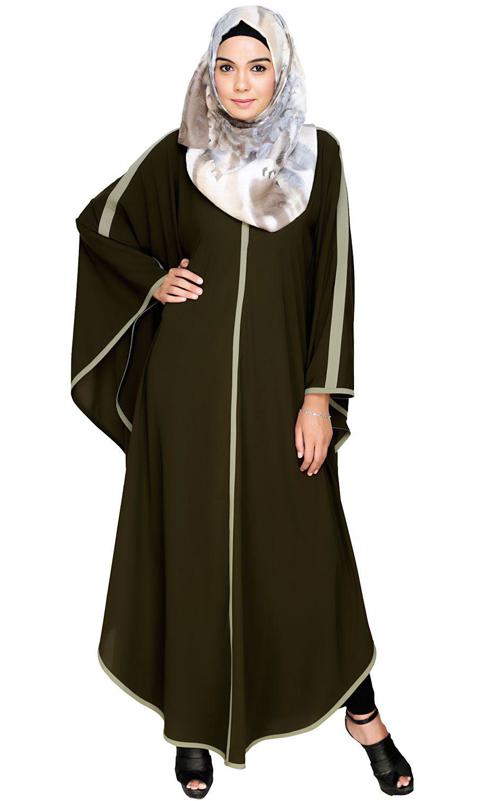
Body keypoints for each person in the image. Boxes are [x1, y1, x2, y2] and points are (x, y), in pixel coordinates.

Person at [70, 5, 413, 797]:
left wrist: (319, 395)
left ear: (280, 72)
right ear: (209, 74)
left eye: (257, 67)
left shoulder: (319, 157)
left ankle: (363, 714)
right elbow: (101, 226)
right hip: (184, 397)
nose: (240, 83)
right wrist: (152, 280)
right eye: (226, 67)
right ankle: (191, 722)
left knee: (309, 554)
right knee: (192, 551)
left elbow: (334, 279)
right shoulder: (182, 155)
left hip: (280, 396)